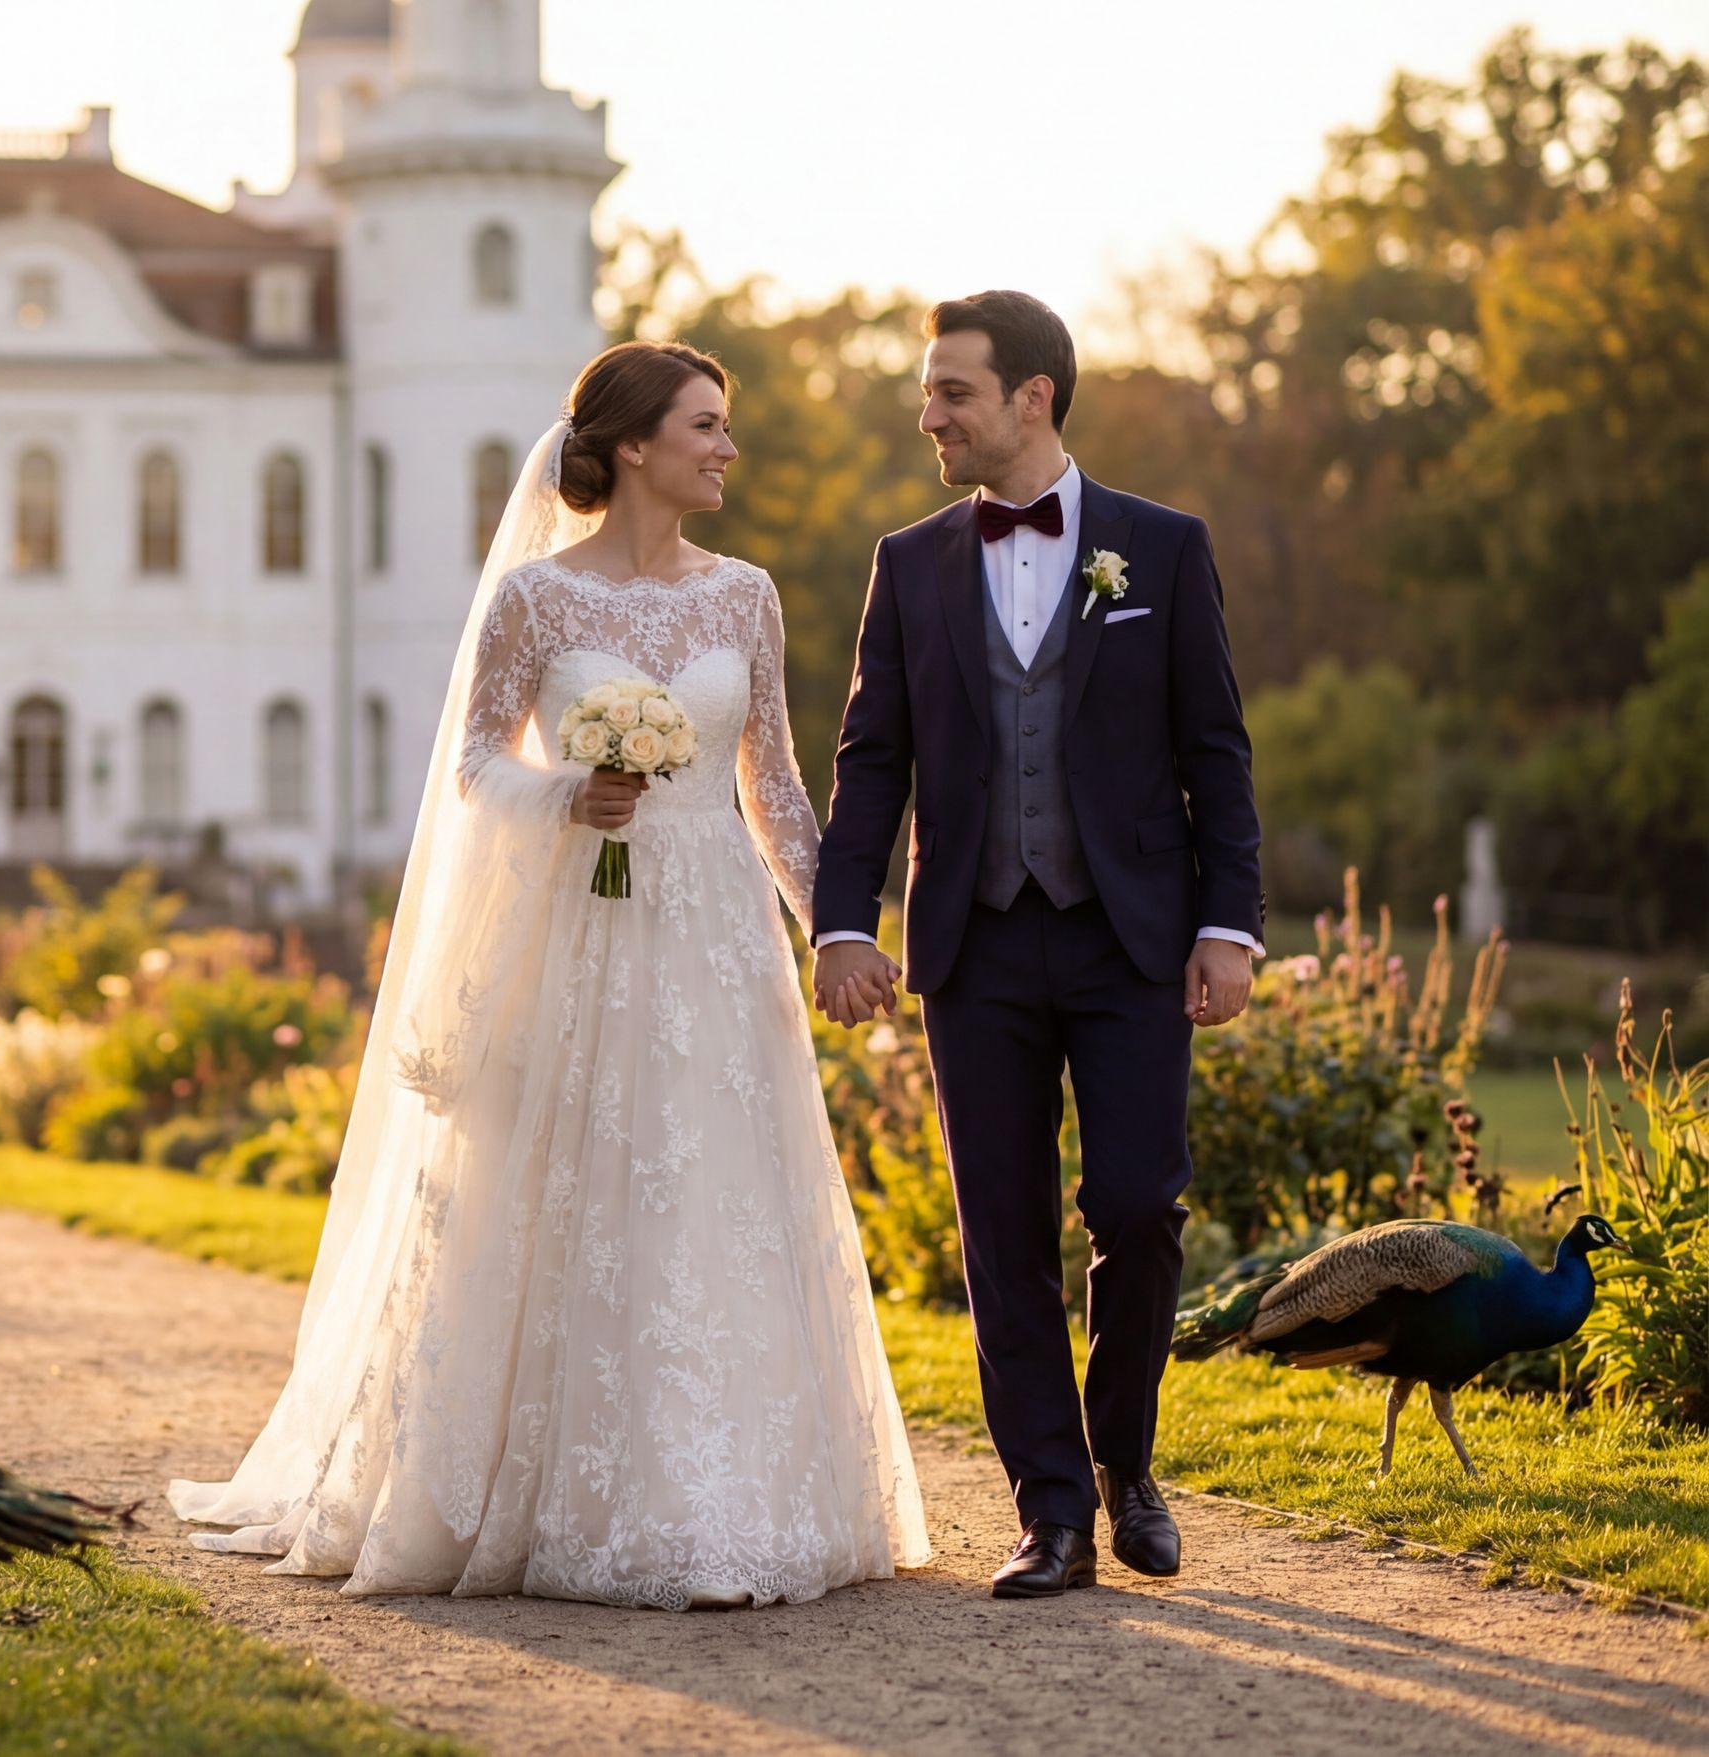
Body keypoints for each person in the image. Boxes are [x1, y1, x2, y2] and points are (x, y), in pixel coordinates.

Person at [170, 341, 928, 1609]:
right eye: (705, 425)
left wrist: (830, 928)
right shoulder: (534, 600)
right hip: (579, 937)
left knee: (715, 1197)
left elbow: (776, 789)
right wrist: (567, 792)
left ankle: (726, 1500)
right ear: (633, 445)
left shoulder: (746, 596)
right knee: (582, 1199)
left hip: (715, 940)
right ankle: (585, 1500)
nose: (727, 447)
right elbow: (473, 766)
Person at [811, 290, 1261, 1598]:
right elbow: (871, 760)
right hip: (976, 945)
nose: (929, 415)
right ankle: (1051, 1512)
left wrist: (1228, 924)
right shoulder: (909, 563)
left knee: (1139, 1206)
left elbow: (1217, 753)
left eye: (951, 391)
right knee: (1001, 1234)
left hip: (1131, 940)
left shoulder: (1160, 549)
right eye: (927, 391)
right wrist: (843, 922)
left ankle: (1125, 1460)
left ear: (1032, 398)